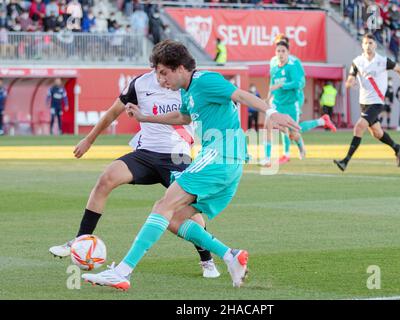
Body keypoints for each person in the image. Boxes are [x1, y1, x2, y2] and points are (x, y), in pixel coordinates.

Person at [81, 39, 299, 290]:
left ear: (180, 68)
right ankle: (231, 256)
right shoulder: (187, 91)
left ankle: (122, 271)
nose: (161, 80)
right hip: (226, 162)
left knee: (163, 205)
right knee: (174, 219)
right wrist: (144, 117)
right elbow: (182, 116)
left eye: (164, 73)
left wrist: (271, 113)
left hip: (219, 155)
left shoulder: (206, 80)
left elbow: (240, 94)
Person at [49, 70, 221, 278]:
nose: (162, 78)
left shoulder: (186, 86)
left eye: (167, 71)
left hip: (178, 156)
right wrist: (89, 140)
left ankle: (207, 260)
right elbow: (113, 112)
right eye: (159, 71)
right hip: (145, 154)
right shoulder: (140, 84)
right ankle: (81, 240)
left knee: (189, 210)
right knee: (106, 179)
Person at [333, 33, 400, 172]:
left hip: (377, 102)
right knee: (377, 133)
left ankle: (345, 161)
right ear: (362, 45)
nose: (368, 46)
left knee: (359, 127)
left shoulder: (383, 61)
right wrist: (350, 83)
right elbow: (351, 77)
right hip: (364, 102)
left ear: (375, 45)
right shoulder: (357, 61)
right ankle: (397, 147)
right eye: (366, 43)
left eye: (371, 43)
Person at [260, 40, 336, 167]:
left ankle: (320, 123)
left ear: (288, 53)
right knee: (267, 125)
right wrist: (268, 98)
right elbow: (272, 84)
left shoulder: (292, 65)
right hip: (277, 104)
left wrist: (282, 85)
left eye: (283, 51)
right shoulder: (273, 66)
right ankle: (267, 158)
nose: (280, 54)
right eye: (278, 51)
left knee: (294, 133)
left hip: (291, 104)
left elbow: (298, 83)